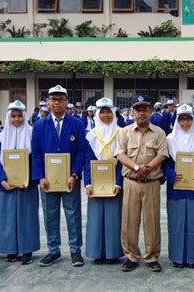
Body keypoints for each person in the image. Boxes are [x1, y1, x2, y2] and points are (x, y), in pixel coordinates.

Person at [32, 85, 88, 267]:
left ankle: (75, 250)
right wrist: (40, 176)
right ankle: (53, 250)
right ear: (48, 102)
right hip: (47, 179)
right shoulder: (40, 125)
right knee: (50, 214)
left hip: (69, 179)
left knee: (72, 213)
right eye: (53, 99)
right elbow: (36, 152)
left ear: (66, 102)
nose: (57, 103)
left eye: (60, 99)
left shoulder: (77, 124)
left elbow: (81, 151)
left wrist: (74, 174)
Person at [115, 98, 168, 272]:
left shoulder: (159, 132)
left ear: (150, 112)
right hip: (131, 182)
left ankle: (151, 257)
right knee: (129, 221)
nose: (141, 113)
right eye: (138, 110)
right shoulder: (124, 132)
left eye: (145, 109)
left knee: (151, 222)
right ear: (133, 113)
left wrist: (148, 168)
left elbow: (162, 154)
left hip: (151, 182)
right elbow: (120, 154)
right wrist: (137, 167)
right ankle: (131, 256)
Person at [162, 104, 194, 268]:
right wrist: (170, 174)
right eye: (181, 119)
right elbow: (164, 163)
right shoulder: (169, 140)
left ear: (193, 120)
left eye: (188, 119)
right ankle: (177, 257)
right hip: (176, 188)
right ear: (177, 121)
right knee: (177, 223)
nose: (185, 123)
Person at [0, 100, 40, 265]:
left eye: (19, 116)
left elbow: (36, 159)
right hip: (6, 185)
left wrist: (30, 179)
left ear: (24, 116)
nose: (16, 120)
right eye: (13, 116)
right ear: (8, 117)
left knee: (26, 217)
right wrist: (2, 180)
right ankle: (10, 250)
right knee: (7, 217)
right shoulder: (1, 137)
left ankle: (27, 250)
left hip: (26, 185)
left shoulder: (32, 134)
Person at [84, 97, 124, 265]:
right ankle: (97, 253)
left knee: (113, 218)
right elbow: (87, 161)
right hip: (96, 183)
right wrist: (88, 183)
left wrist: (118, 183)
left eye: (109, 112)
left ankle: (112, 253)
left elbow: (123, 161)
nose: (106, 115)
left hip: (114, 182)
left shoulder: (121, 133)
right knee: (96, 218)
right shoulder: (91, 135)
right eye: (103, 112)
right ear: (97, 114)